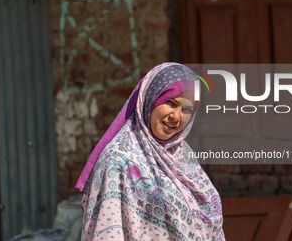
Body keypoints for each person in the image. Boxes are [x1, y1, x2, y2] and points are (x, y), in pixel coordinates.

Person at [75, 63, 225, 240]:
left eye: (186, 110)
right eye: (171, 103)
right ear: (150, 99)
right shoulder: (118, 161)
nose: (176, 117)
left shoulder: (181, 155)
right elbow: (108, 233)